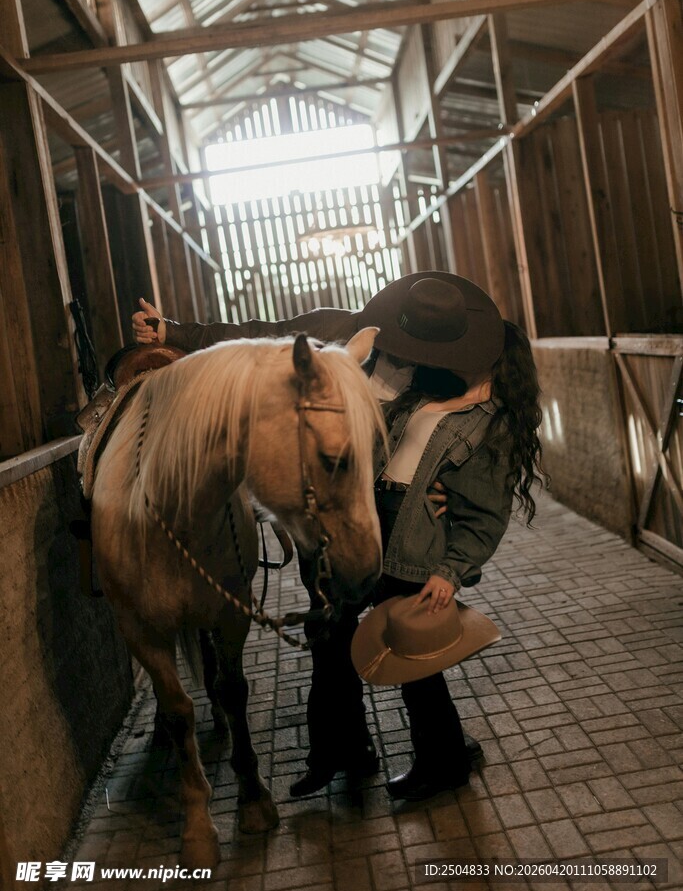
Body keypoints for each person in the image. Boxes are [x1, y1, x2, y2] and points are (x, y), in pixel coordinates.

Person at [132, 273, 545, 801]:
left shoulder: (438, 378)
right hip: (335, 519)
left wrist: (432, 493)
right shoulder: (335, 331)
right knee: (329, 639)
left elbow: (441, 456)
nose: (427, 356)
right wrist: (172, 331)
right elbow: (256, 335)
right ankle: (339, 752)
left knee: (405, 639)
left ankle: (440, 753)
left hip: (392, 526)